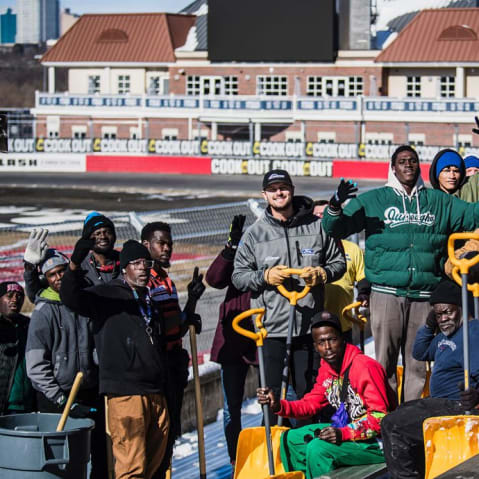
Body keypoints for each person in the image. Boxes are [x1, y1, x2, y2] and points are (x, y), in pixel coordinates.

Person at [322, 145, 479, 402]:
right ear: (393, 167)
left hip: (424, 295)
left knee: (417, 365)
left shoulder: (438, 202)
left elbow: (472, 214)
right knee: (384, 362)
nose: (409, 165)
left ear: (420, 167)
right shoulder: (373, 200)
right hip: (386, 294)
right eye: (403, 161)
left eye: (414, 161)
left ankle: (411, 420)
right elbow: (335, 228)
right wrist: (335, 205)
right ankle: (383, 418)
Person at [233, 169, 346, 424]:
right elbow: (239, 277)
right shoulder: (255, 234)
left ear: (292, 190)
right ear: (264, 195)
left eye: (283, 187)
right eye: (272, 190)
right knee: (273, 395)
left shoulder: (316, 227)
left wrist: (321, 274)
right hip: (272, 328)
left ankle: (310, 446)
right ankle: (274, 449)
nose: (279, 193)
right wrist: (265, 277)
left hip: (309, 328)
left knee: (311, 395)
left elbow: (339, 263)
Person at [60, 239, 169, 479]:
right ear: (124, 267)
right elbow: (70, 297)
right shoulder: (106, 295)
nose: (142, 268)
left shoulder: (148, 298)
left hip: (155, 391)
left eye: (146, 263)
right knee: (132, 466)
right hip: (126, 392)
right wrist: (75, 262)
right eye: (136, 263)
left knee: (154, 464)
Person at [257, 312, 395, 479]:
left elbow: (380, 418)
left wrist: (343, 434)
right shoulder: (327, 369)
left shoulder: (365, 367)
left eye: (332, 339)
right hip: (349, 434)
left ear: (342, 339)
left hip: (379, 443)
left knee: (318, 448)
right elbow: (311, 403)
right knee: (291, 439)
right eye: (321, 342)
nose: (327, 347)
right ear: (315, 346)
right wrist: (279, 406)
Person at [381, 280, 479, 479]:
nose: (443, 318)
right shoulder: (445, 336)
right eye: (438, 314)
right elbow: (420, 352)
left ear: (460, 308)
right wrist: (428, 324)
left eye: (447, 312)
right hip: (438, 402)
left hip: (456, 404)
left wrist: (477, 396)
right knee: (401, 412)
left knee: (393, 425)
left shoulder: (472, 331)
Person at [25, 248, 107, 479]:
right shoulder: (43, 312)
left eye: (62, 271)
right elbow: (36, 367)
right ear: (46, 279)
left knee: (100, 454)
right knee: (63, 461)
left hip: (88, 391)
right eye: (52, 274)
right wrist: (63, 401)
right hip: (57, 398)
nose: (59, 277)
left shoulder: (83, 304)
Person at [140, 221, 205, 478]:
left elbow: (175, 326)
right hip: (154, 368)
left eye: (170, 244)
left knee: (170, 433)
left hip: (172, 365)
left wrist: (191, 303)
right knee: (153, 435)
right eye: (161, 243)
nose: (167, 248)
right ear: (147, 245)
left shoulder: (166, 279)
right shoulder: (142, 280)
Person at [206, 214, 257, 466]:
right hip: (234, 339)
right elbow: (214, 279)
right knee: (231, 408)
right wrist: (230, 248)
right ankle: (235, 458)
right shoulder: (238, 254)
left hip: (264, 338)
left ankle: (266, 452)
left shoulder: (275, 255)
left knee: (272, 400)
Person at [313, 200, 370, 342]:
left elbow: (362, 275)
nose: (322, 218)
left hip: (343, 322)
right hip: (313, 325)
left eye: (325, 214)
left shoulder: (352, 248)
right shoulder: (306, 247)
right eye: (318, 214)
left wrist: (363, 294)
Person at [0, 281, 35, 414]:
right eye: (9, 295)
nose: (15, 299)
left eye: (19, 296)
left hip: (26, 405)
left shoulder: (30, 325)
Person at [78, 211, 121, 286]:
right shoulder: (81, 267)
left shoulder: (126, 262)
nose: (103, 237)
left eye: (107, 232)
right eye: (97, 233)